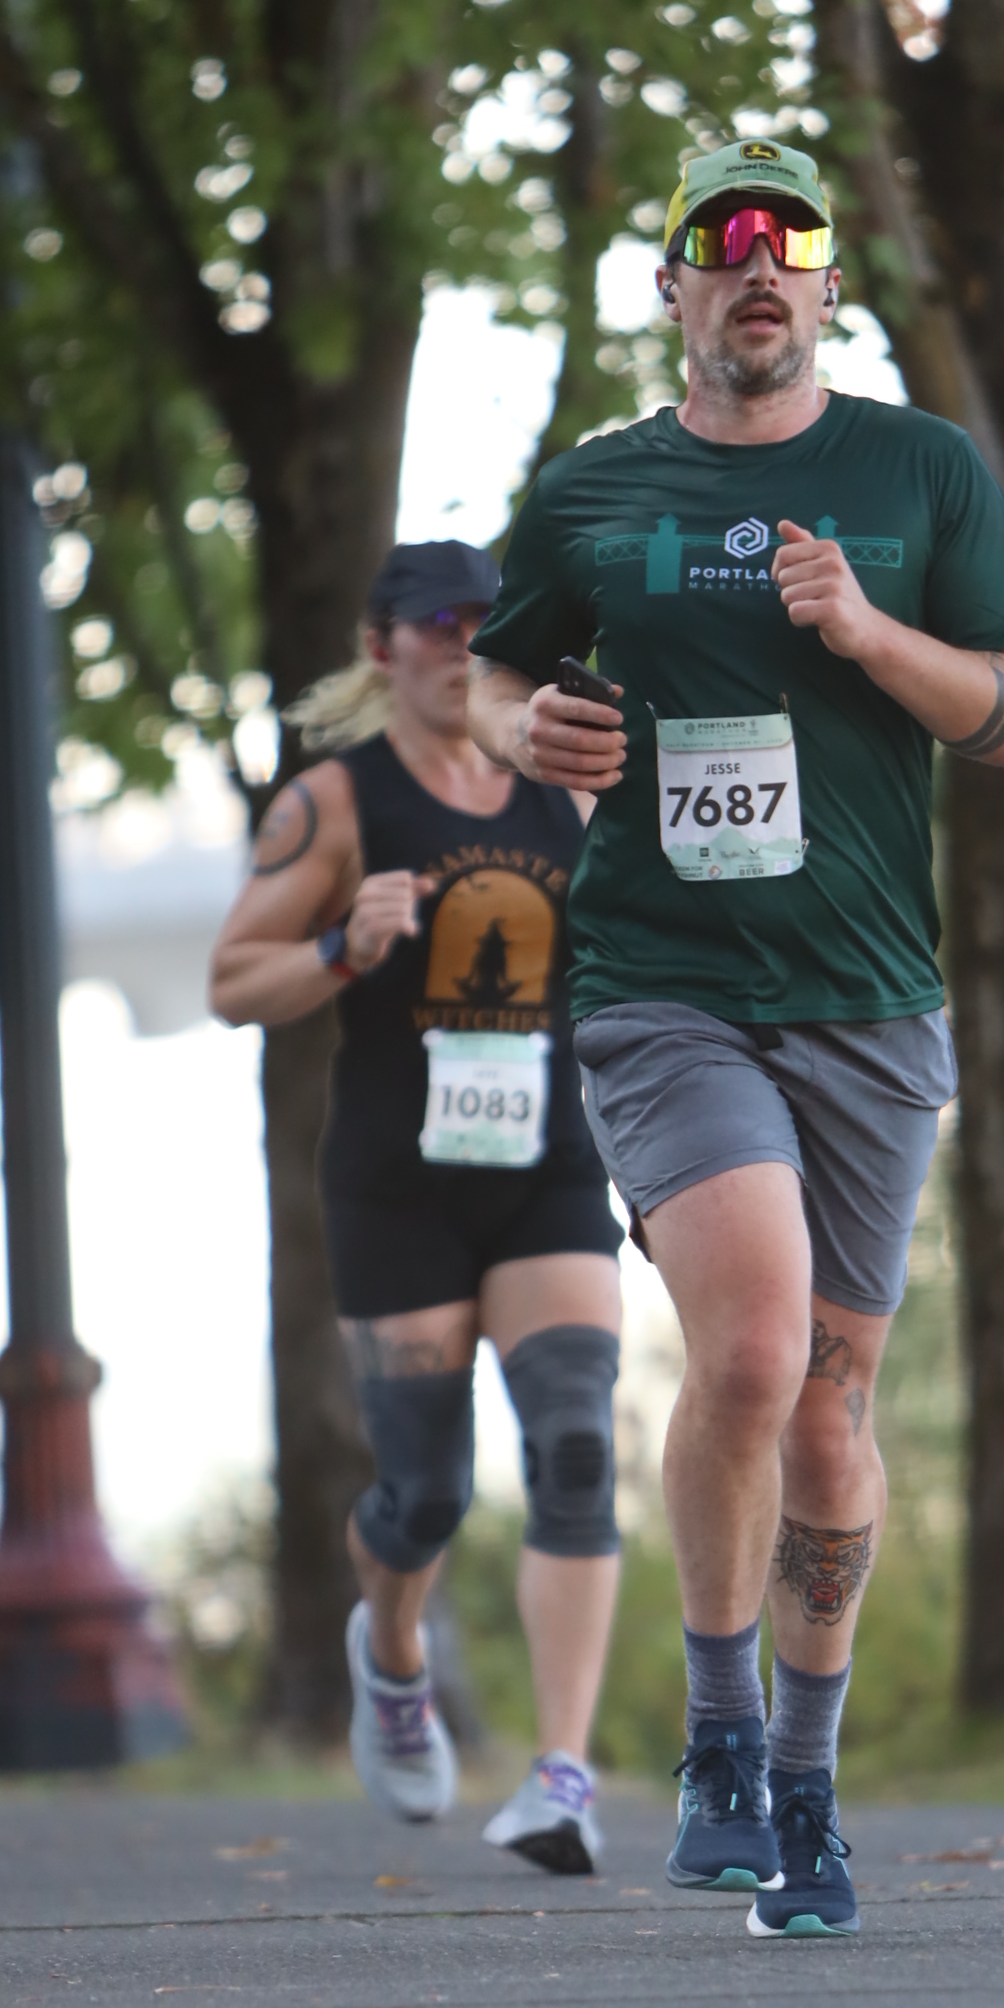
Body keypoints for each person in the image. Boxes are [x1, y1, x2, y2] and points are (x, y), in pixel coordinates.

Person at [466, 137, 1004, 1938]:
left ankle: (805, 1784)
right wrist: (525, 734)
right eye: (718, 243)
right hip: (666, 988)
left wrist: (869, 633)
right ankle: (717, 1740)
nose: (755, 266)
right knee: (748, 1353)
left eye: (786, 240)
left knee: (830, 1413)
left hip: (869, 1000)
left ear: (825, 282)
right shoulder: (596, 490)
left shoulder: (918, 472)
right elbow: (492, 673)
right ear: (672, 289)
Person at [209, 539, 626, 1874]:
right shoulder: (335, 802)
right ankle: (389, 1654)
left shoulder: (568, 783)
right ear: (378, 645)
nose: (464, 645)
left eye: (489, 623)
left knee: (576, 1444)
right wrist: (342, 945)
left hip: (551, 1167)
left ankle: (562, 1776)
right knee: (427, 1494)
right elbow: (233, 979)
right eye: (438, 622)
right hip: (400, 1189)